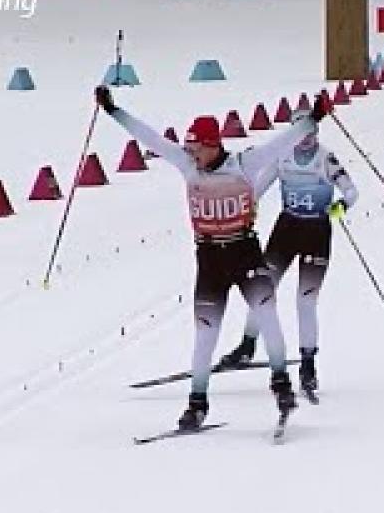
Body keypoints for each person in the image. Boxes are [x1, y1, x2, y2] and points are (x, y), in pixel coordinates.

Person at [94, 84, 329, 430]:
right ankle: (197, 404)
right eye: (187, 148)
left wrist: (314, 118)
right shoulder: (188, 166)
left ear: (212, 145)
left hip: (245, 253)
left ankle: (282, 387)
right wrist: (113, 110)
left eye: (195, 148)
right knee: (205, 334)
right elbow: (151, 138)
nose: (189, 154)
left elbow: (282, 140)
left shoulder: (245, 164)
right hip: (210, 261)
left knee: (267, 314)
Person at [216, 129, 359, 393]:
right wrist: (247, 209)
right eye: (300, 133)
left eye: (310, 134)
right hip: (287, 230)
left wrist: (341, 206)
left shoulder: (326, 158)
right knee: (262, 290)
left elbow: (351, 192)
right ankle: (247, 345)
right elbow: (257, 189)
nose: (305, 140)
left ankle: (308, 364)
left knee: (305, 300)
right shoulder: (282, 156)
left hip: (316, 232)